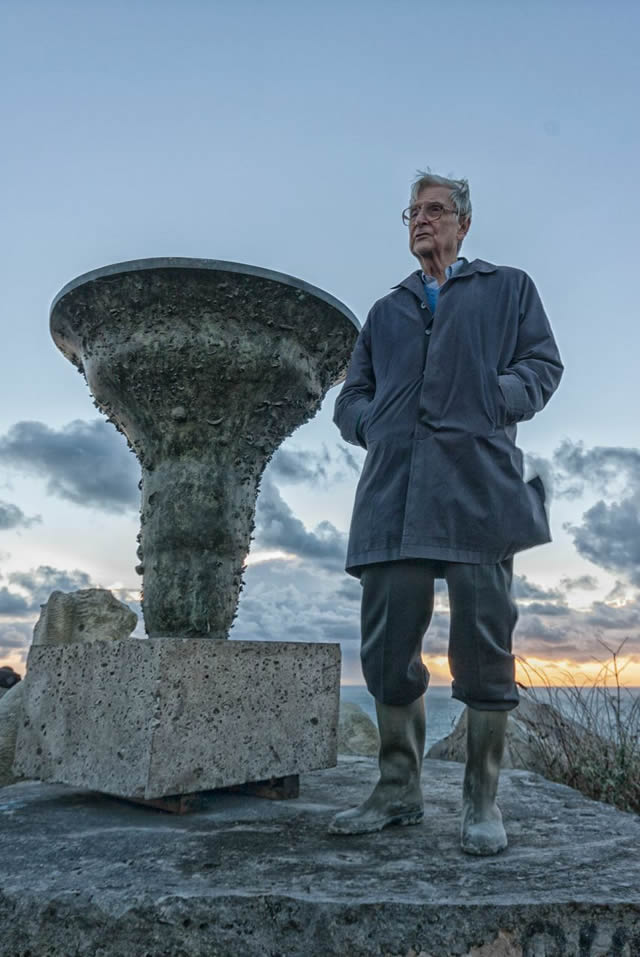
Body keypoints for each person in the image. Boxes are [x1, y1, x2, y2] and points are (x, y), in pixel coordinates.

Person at [329, 171, 563, 854]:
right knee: (386, 647)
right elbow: (350, 395)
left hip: (477, 488)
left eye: (436, 211)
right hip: (393, 492)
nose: (422, 222)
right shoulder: (385, 311)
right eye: (413, 212)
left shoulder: (507, 288)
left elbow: (544, 363)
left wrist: (498, 397)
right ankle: (399, 789)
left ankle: (480, 800)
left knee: (485, 646)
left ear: (464, 223)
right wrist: (372, 422)